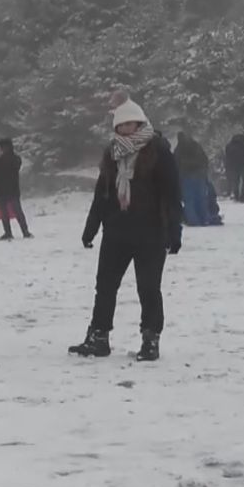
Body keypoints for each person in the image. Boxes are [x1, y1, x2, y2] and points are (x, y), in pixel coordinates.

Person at [69, 98, 181, 363]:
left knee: (149, 287)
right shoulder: (112, 153)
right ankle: (99, 337)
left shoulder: (158, 150)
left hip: (150, 231)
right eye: (121, 126)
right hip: (116, 231)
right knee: (105, 286)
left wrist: (174, 231)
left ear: (140, 122)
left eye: (131, 124)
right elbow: (102, 193)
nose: (126, 129)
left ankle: (150, 338)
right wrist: (91, 228)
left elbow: (172, 193)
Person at [0, 138, 32, 240]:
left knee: (5, 213)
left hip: (1, 191)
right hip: (13, 190)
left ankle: (8, 233)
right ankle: (25, 232)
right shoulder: (15, 159)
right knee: (18, 212)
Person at [175, 132, 210, 227]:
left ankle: (193, 220)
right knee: (201, 197)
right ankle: (204, 218)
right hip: (200, 175)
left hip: (186, 176)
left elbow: (176, 164)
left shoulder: (179, 149)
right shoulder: (197, 146)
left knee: (189, 199)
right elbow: (205, 160)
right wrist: (204, 172)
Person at [224, 133, 244, 203]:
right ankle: (242, 196)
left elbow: (226, 154)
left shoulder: (230, 144)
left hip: (233, 165)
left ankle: (236, 196)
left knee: (236, 181)